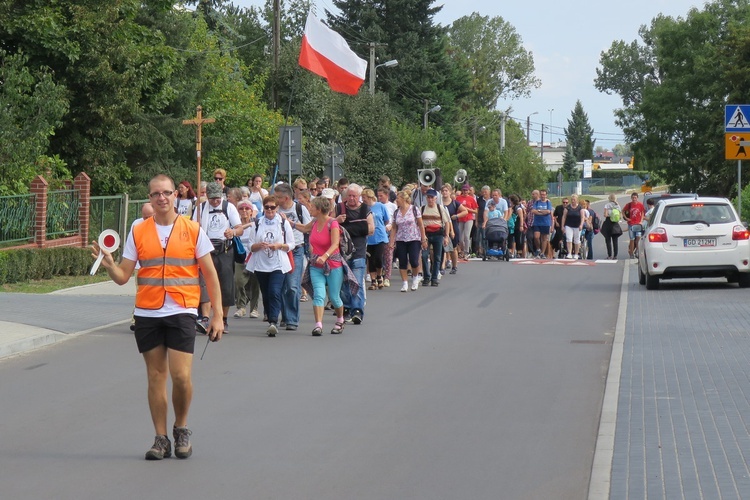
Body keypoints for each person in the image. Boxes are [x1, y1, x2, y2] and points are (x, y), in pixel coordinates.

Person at [91, 174, 223, 460]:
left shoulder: (193, 229)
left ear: (175, 195)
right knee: (155, 376)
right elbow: (123, 276)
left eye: (165, 193)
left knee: (181, 376)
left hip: (182, 310)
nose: (161, 198)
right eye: (155, 194)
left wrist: (217, 315)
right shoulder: (138, 231)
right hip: (148, 312)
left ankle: (181, 427)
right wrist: (110, 265)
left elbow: (210, 275)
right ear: (149, 198)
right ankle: (160, 438)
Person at [194, 182, 244, 333]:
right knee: (205, 284)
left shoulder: (229, 208)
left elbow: (239, 228)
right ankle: (205, 318)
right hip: (206, 250)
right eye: (212, 199)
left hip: (225, 250)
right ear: (207, 197)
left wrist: (233, 233)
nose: (215, 201)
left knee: (226, 285)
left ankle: (223, 318)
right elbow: (193, 228)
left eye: (217, 198)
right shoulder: (200, 209)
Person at [246, 195, 295, 337]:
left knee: (274, 291)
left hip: (278, 264)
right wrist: (258, 245)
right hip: (261, 265)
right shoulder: (257, 223)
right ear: (263, 207)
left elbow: (291, 244)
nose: (269, 210)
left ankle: (274, 321)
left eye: (272, 207)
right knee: (266, 294)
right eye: (267, 207)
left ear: (277, 208)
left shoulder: (283, 223)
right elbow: (250, 246)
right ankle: (270, 317)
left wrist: (279, 246)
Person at [300, 196, 347, 335]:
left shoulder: (332, 223)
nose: (310, 209)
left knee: (334, 297)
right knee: (318, 295)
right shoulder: (314, 222)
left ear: (319, 209)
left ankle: (340, 319)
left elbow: (335, 244)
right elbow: (303, 228)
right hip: (316, 265)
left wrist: (325, 256)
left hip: (333, 264)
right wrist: (287, 221)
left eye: (312, 207)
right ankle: (318, 325)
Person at [274, 183, 311, 331]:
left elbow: (309, 227)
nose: (275, 199)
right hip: (279, 250)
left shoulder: (299, 209)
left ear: (286, 198)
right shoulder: (274, 210)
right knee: (281, 286)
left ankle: (292, 319)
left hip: (296, 249)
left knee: (292, 286)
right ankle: (285, 315)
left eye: (277, 197)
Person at [335, 183, 373, 324]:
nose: (351, 198)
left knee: (356, 282)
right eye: (349, 196)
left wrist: (347, 228)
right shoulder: (339, 208)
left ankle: (357, 311)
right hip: (341, 253)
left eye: (354, 196)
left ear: (359, 197)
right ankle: (347, 307)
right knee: (343, 283)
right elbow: (330, 225)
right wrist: (337, 221)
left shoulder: (365, 209)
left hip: (359, 252)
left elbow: (371, 229)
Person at [389, 190, 427, 292]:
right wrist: (391, 241)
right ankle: (404, 283)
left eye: (398, 198)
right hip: (401, 239)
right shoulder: (396, 212)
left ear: (404, 199)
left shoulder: (414, 209)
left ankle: (415, 277)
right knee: (402, 261)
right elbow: (394, 228)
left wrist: (423, 239)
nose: (396, 200)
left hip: (414, 238)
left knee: (414, 261)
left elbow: (420, 225)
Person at [233, 200, 260, 319]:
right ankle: (241, 307)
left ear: (251, 211)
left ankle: (254, 309)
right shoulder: (236, 224)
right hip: (240, 258)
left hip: (254, 257)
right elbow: (232, 232)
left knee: (255, 284)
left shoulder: (257, 224)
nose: (244, 211)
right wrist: (245, 225)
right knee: (238, 281)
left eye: (247, 209)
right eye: (241, 209)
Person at [420, 188, 452, 286]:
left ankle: (434, 278)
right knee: (424, 256)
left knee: (438, 257)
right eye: (428, 197)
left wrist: (446, 237)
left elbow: (447, 222)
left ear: (435, 198)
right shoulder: (422, 208)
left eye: (431, 197)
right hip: (426, 235)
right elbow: (419, 223)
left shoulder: (440, 208)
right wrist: (422, 237)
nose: (430, 199)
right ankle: (426, 277)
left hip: (438, 234)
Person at [363, 188, 390, 290]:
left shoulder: (380, 206)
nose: (363, 199)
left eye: (364, 197)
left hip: (380, 236)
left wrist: (379, 226)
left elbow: (386, 220)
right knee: (371, 259)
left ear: (369, 197)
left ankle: (380, 275)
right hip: (369, 237)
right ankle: (374, 280)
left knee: (378, 257)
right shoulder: (364, 208)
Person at [441, 183, 467, 274]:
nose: (444, 192)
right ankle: (442, 267)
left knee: (453, 248)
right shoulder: (439, 203)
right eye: (443, 191)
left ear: (450, 192)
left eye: (446, 191)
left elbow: (465, 211)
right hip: (442, 227)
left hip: (453, 226)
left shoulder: (454, 203)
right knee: (442, 248)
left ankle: (454, 266)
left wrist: (456, 216)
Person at [456, 184, 478, 259]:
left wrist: (467, 209)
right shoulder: (458, 198)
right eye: (464, 190)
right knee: (460, 237)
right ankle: (462, 250)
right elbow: (456, 208)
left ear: (468, 191)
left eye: (466, 190)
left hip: (469, 218)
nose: (465, 191)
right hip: (460, 218)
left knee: (466, 235)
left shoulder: (471, 199)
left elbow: (475, 211)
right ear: (462, 191)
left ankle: (467, 252)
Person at [531, 189, 553, 258]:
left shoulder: (548, 202)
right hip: (537, 222)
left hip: (546, 223)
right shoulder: (537, 202)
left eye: (544, 194)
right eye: (541, 194)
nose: (543, 196)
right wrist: (542, 212)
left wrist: (539, 211)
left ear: (546, 195)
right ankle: (538, 248)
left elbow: (548, 211)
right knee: (536, 236)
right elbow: (533, 211)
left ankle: (543, 253)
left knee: (544, 238)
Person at [623, 192, 646, 259]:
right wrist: (627, 218)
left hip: (638, 224)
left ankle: (637, 251)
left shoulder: (640, 205)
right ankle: (631, 253)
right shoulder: (629, 205)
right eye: (633, 198)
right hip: (631, 224)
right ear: (631, 198)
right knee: (632, 239)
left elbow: (642, 212)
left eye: (635, 198)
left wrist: (641, 220)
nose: (634, 199)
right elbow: (623, 211)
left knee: (638, 237)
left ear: (637, 198)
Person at [561, 194, 584, 259]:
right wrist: (562, 226)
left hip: (577, 225)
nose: (573, 201)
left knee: (576, 240)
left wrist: (581, 225)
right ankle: (569, 253)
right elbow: (564, 217)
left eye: (574, 200)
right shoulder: (568, 207)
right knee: (569, 239)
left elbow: (582, 217)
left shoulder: (580, 208)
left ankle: (576, 254)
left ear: (577, 200)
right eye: (572, 200)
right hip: (569, 225)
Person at [601, 193, 623, 260]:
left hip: (608, 223)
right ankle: (615, 255)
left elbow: (605, 214)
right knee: (615, 240)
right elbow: (620, 216)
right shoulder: (618, 205)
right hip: (615, 224)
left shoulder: (607, 205)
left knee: (608, 240)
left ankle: (609, 255)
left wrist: (609, 215)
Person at [508, 194, 525, 259]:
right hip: (511, 226)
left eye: (510, 200)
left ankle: (519, 252)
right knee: (510, 238)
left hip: (517, 225)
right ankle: (509, 251)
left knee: (518, 239)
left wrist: (521, 225)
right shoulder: (510, 208)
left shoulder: (518, 208)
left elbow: (521, 217)